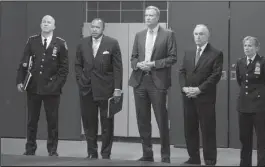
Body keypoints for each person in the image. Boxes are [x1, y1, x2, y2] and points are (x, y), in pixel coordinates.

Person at [128, 5, 177, 163]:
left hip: (158, 82)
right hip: (140, 81)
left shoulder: (168, 34)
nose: (147, 18)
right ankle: (147, 154)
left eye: (151, 15)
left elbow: (172, 58)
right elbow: (133, 57)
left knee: (161, 120)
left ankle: (165, 156)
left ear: (157, 18)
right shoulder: (139, 35)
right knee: (142, 120)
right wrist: (138, 64)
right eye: (146, 15)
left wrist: (153, 64)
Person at [16, 15, 69, 156]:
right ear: (40, 25)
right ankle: (30, 148)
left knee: (52, 121)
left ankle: (52, 150)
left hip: (52, 89)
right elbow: (23, 62)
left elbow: (64, 69)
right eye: (44, 22)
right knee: (32, 120)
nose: (46, 24)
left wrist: (56, 85)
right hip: (34, 87)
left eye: (49, 22)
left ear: (54, 26)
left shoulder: (60, 44)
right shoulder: (32, 41)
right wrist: (20, 81)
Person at [75, 18, 123, 159]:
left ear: (103, 28)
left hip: (106, 90)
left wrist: (117, 89)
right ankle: (92, 152)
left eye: (97, 27)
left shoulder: (112, 43)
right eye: (92, 27)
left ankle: (106, 153)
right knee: (89, 123)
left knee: (107, 124)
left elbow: (117, 68)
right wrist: (80, 80)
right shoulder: (82, 43)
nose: (94, 29)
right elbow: (77, 64)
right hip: (87, 89)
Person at [179, 24, 223, 165]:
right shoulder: (188, 52)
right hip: (188, 97)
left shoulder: (215, 53)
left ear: (208, 36)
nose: (198, 37)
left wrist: (199, 89)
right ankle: (194, 157)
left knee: (207, 130)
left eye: (201, 34)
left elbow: (215, 76)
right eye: (196, 34)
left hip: (205, 98)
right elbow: (181, 72)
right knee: (190, 129)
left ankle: (210, 160)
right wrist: (184, 87)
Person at [235, 36, 265, 166]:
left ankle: (261, 164)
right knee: (245, 138)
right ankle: (245, 163)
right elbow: (240, 81)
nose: (247, 48)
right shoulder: (240, 62)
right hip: (244, 106)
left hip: (260, 107)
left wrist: (262, 94)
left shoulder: (264, 62)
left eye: (250, 46)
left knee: (261, 139)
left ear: (257, 48)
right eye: (245, 46)